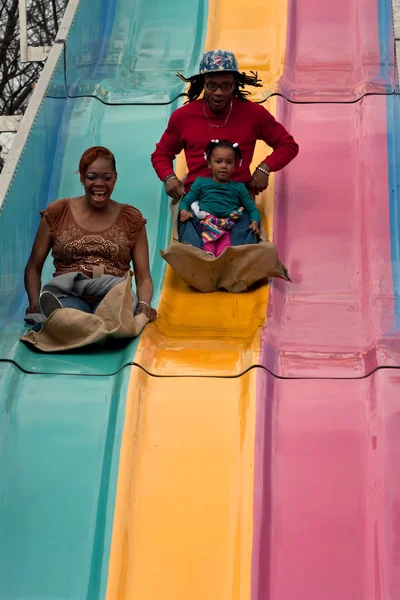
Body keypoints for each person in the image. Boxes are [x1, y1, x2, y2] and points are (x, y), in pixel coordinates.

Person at [24, 146, 157, 324]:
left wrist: (143, 304)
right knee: (68, 317)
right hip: (69, 293)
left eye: (107, 177)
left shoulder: (131, 219)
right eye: (91, 177)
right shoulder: (58, 212)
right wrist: (34, 304)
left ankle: (102, 324)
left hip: (113, 295)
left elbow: (143, 276)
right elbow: (33, 266)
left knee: (115, 315)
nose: (99, 183)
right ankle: (62, 319)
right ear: (81, 177)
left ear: (115, 178)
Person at [151, 49, 299, 200]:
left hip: (238, 199)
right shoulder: (183, 116)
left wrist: (265, 168)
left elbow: (288, 144)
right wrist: (169, 177)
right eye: (212, 86)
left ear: (235, 84)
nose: (219, 92)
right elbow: (161, 154)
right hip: (195, 198)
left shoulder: (253, 113)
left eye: (226, 86)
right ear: (203, 84)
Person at [179, 139, 261, 257]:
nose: (223, 166)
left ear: (235, 165)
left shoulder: (239, 188)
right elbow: (186, 200)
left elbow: (252, 209)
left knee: (245, 225)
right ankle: (194, 254)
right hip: (205, 224)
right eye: (218, 161)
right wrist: (183, 211)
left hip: (228, 226)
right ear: (209, 164)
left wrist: (255, 221)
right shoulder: (201, 182)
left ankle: (241, 256)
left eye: (229, 162)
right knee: (189, 222)